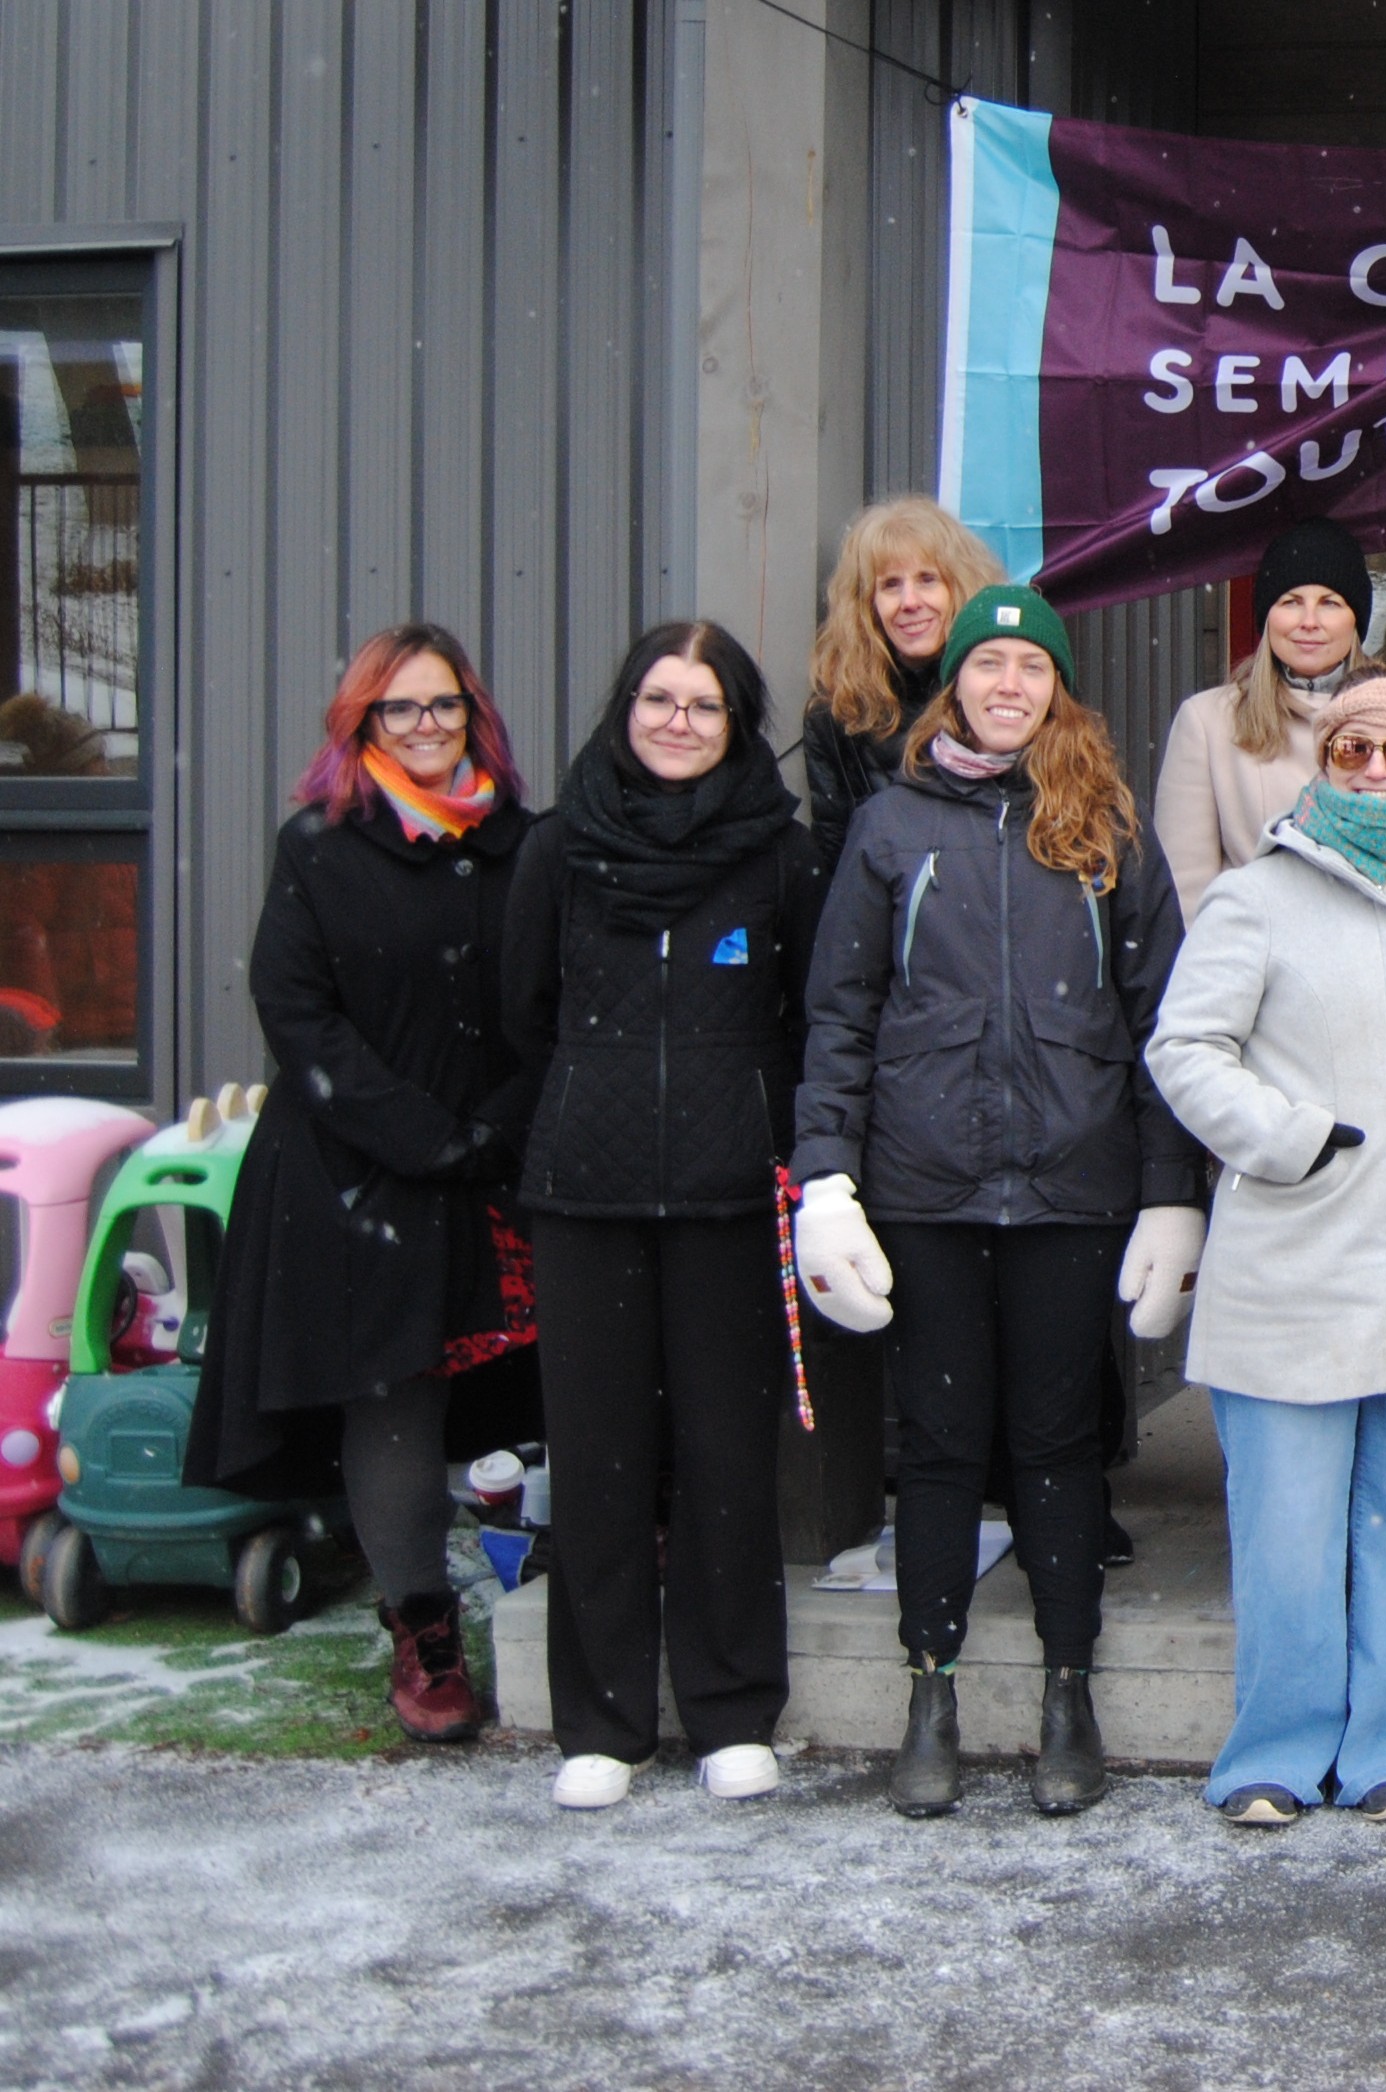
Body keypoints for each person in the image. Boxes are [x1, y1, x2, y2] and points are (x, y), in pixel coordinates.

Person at [791, 584, 1206, 1819]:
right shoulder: (889, 827)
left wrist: (1169, 1195)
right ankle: (932, 1689)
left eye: (1031, 666)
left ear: (1055, 689)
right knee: (935, 1448)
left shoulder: (1106, 829)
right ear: (956, 685)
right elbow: (840, 1019)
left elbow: (1162, 1029)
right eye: (989, 666)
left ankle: (1065, 1694)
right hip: (927, 1190)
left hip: (1072, 1196)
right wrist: (826, 1177)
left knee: (1058, 1449)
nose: (1008, 684)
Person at [1147, 673, 1386, 1827]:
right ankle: (1275, 1749)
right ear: (1321, 754)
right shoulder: (1256, 896)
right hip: (1298, 1255)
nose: (1375, 770)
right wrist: (1291, 1143)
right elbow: (1187, 1046)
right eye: (1354, 747)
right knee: (1290, 1536)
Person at [187, 624, 542, 1744]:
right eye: (401, 710)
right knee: (393, 1392)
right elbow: (296, 1012)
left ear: (473, 719)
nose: (426, 727)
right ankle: (422, 1627)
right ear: (364, 725)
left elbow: (557, 999)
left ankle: (585, 1599)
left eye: (444, 707)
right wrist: (419, 1133)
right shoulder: (320, 848)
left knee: (563, 1382)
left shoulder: (527, 846)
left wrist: (497, 1123)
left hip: (497, 1160)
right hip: (357, 1168)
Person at [505, 621, 823, 1811]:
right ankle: (602, 1720)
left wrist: (752, 1122)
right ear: (623, 707)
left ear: (736, 724)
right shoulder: (558, 850)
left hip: (730, 1197)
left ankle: (733, 1710)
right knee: (595, 1460)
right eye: (657, 698)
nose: (676, 721)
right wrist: (598, 1101)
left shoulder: (777, 858)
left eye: (704, 704)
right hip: (583, 1195)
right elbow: (522, 1010)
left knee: (725, 1457)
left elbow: (801, 1022)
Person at [1152, 518, 1386, 921]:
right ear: (1268, 617)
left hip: (1385, 964)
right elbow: (1184, 892)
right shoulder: (1207, 722)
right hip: (1257, 967)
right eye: (1291, 601)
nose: (1309, 621)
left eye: (1330, 602)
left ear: (1355, 619)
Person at [801, 496, 1007, 873]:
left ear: (959, 586)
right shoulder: (836, 711)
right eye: (891, 585)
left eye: (927, 579)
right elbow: (835, 854)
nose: (909, 601)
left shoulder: (1010, 690)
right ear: (866, 604)